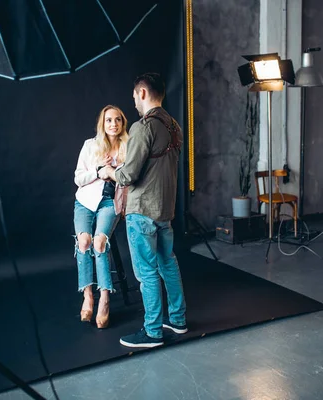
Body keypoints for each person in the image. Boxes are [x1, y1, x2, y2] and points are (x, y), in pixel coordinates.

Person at [98, 72, 187, 348]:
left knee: (147, 272)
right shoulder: (173, 126)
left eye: (135, 95)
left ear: (144, 93)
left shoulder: (143, 126)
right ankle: (178, 320)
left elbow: (130, 175)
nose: (134, 101)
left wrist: (109, 171)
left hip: (142, 211)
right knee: (168, 262)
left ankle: (152, 332)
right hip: (164, 210)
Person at [73, 105, 129, 329]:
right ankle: (88, 294)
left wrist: (113, 170)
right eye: (108, 120)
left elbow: (129, 181)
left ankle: (105, 298)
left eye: (117, 120)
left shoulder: (128, 148)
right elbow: (78, 178)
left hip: (110, 202)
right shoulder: (90, 146)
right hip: (85, 201)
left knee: (99, 242)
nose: (113, 124)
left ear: (122, 123)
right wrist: (98, 170)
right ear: (102, 123)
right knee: (84, 241)